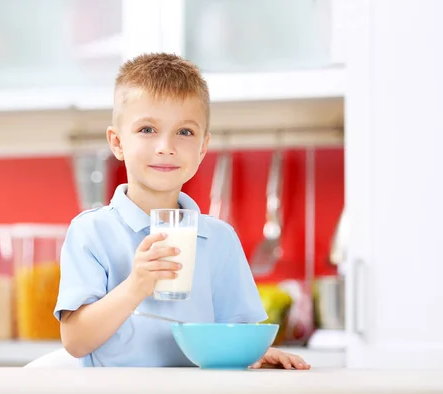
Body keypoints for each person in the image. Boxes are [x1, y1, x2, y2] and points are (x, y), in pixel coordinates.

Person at [54, 53, 310, 370]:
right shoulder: (91, 232)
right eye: (147, 129)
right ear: (117, 143)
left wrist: (253, 353)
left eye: (185, 132)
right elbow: (76, 341)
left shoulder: (219, 239)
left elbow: (238, 334)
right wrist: (136, 285)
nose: (166, 146)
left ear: (202, 147)